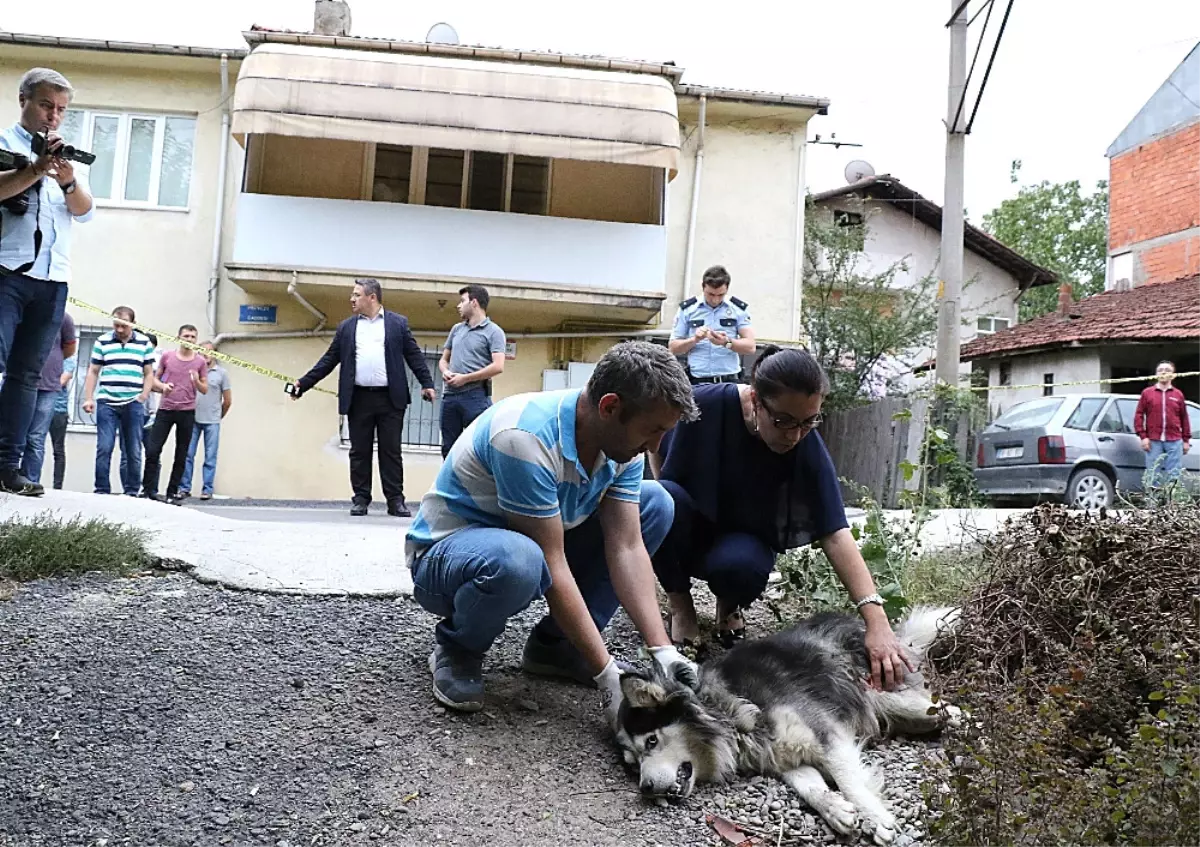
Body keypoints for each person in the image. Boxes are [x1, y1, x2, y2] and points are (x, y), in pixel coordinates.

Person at [405, 340, 701, 719]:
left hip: (536, 544)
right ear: (610, 407)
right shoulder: (525, 436)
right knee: (520, 561)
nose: (655, 446)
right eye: (652, 430)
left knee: (655, 502)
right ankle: (459, 647)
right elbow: (551, 560)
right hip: (446, 559)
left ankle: (558, 647)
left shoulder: (621, 442)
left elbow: (626, 546)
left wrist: (662, 651)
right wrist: (607, 675)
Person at [649, 345, 913, 691]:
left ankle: (727, 605)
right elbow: (657, 441)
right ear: (756, 400)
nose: (794, 435)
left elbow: (835, 533)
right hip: (692, 522)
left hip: (742, 538)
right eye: (783, 421)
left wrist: (877, 622)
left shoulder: (805, 442)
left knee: (740, 566)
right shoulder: (704, 405)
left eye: (808, 422)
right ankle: (680, 604)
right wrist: (662, 483)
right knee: (660, 500)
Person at [0, 68, 94, 496]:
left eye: (60, 109)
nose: (53, 116)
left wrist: (66, 176)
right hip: (7, 270)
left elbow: (86, 210)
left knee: (26, 376)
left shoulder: (65, 155)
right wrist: (36, 169)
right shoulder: (4, 144)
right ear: (24, 100)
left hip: (53, 278)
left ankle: (7, 467)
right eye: (45, 105)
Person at [293, 278, 435, 517]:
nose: (352, 299)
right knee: (359, 451)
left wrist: (428, 383)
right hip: (358, 398)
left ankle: (395, 501)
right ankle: (360, 499)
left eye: (357, 294)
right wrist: (303, 384)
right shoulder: (347, 328)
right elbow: (328, 361)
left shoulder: (397, 324)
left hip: (390, 399)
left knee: (391, 451)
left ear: (372, 297)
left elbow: (414, 356)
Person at [82, 306, 157, 496]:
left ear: (133, 324)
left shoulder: (144, 343)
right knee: (104, 447)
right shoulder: (103, 341)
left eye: (123, 326)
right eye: (116, 325)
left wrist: (143, 396)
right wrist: (89, 398)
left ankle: (132, 491)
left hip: (133, 403)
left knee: (133, 449)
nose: (119, 329)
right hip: (107, 401)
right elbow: (93, 371)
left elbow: (149, 373)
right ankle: (101, 489)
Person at [142, 325, 208, 504]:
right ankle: (147, 490)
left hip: (186, 412)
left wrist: (196, 381)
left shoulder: (200, 362)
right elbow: (154, 378)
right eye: (186, 336)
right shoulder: (167, 357)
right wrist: (163, 387)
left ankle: (172, 492)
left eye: (193, 337)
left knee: (182, 454)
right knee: (153, 450)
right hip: (166, 409)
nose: (189, 339)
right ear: (179, 338)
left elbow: (205, 388)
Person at [438, 284, 506, 457]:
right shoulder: (456, 330)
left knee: (478, 446)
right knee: (448, 448)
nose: (459, 306)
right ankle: (450, 484)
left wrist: (465, 378)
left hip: (475, 397)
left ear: (474, 302)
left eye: (463, 301)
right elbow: (443, 360)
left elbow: (498, 366)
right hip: (450, 397)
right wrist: (445, 371)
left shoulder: (494, 332)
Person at [668, 265, 755, 385]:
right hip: (698, 380)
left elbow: (750, 347)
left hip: (729, 380)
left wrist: (726, 342)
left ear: (727, 289)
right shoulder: (688, 309)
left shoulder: (737, 309)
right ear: (703, 287)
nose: (715, 300)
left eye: (720, 295)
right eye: (710, 294)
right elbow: (673, 348)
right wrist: (695, 339)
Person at [20, 310, 75, 485]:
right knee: (15, 435)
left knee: (36, 438)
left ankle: (30, 481)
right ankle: (10, 477)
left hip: (48, 388)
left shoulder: (63, 318)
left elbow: (69, 349)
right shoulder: (24, 313)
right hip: (22, 384)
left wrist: (52, 361)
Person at [179, 341, 232, 501]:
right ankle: (184, 488)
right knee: (187, 454)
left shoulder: (221, 373)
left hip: (212, 421)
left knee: (210, 456)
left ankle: (207, 489)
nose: (205, 355)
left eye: (209, 352)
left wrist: (218, 416)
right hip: (192, 418)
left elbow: (227, 400)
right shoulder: (192, 372)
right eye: (201, 352)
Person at [1135, 360, 1191, 488]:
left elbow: (1184, 418)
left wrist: (1186, 440)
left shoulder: (1178, 395)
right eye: (1160, 370)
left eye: (1167, 370)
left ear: (1173, 375)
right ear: (1156, 374)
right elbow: (1138, 415)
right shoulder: (1147, 393)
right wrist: (1143, 437)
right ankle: (1153, 506)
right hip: (1153, 441)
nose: (1164, 372)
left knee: (1174, 475)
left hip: (1175, 441)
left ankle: (1172, 505)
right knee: (1153, 474)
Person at [48, 350, 76, 489]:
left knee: (58, 450)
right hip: (39, 407)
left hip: (58, 409)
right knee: (33, 445)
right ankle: (30, 478)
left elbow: (63, 380)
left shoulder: (68, 358)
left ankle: (57, 486)